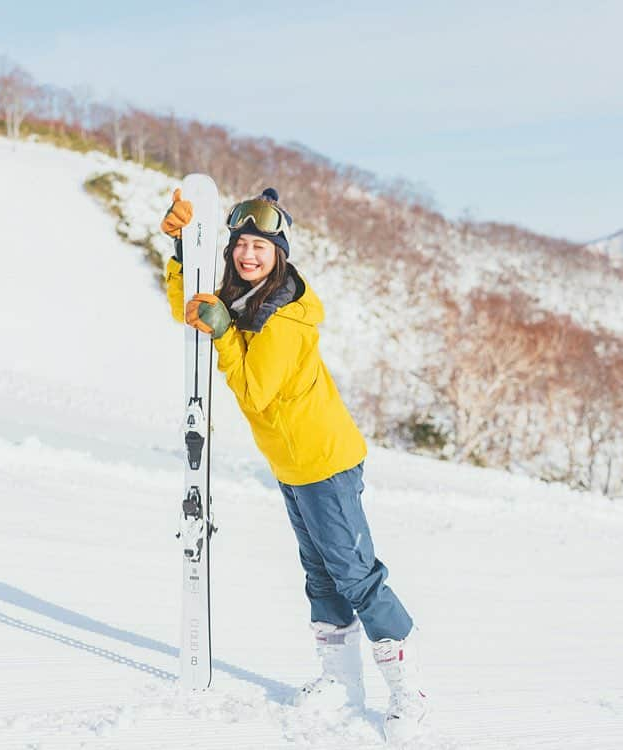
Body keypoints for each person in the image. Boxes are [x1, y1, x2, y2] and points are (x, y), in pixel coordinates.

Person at [161, 187, 426, 742]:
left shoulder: (280, 315)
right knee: (321, 574)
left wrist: (226, 334)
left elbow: (255, 391)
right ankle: (340, 681)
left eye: (261, 245)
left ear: (279, 252)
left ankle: (407, 691)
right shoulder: (246, 295)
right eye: (241, 244)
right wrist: (183, 257)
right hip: (291, 463)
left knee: (357, 575)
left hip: (324, 460)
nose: (248, 254)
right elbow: (194, 313)